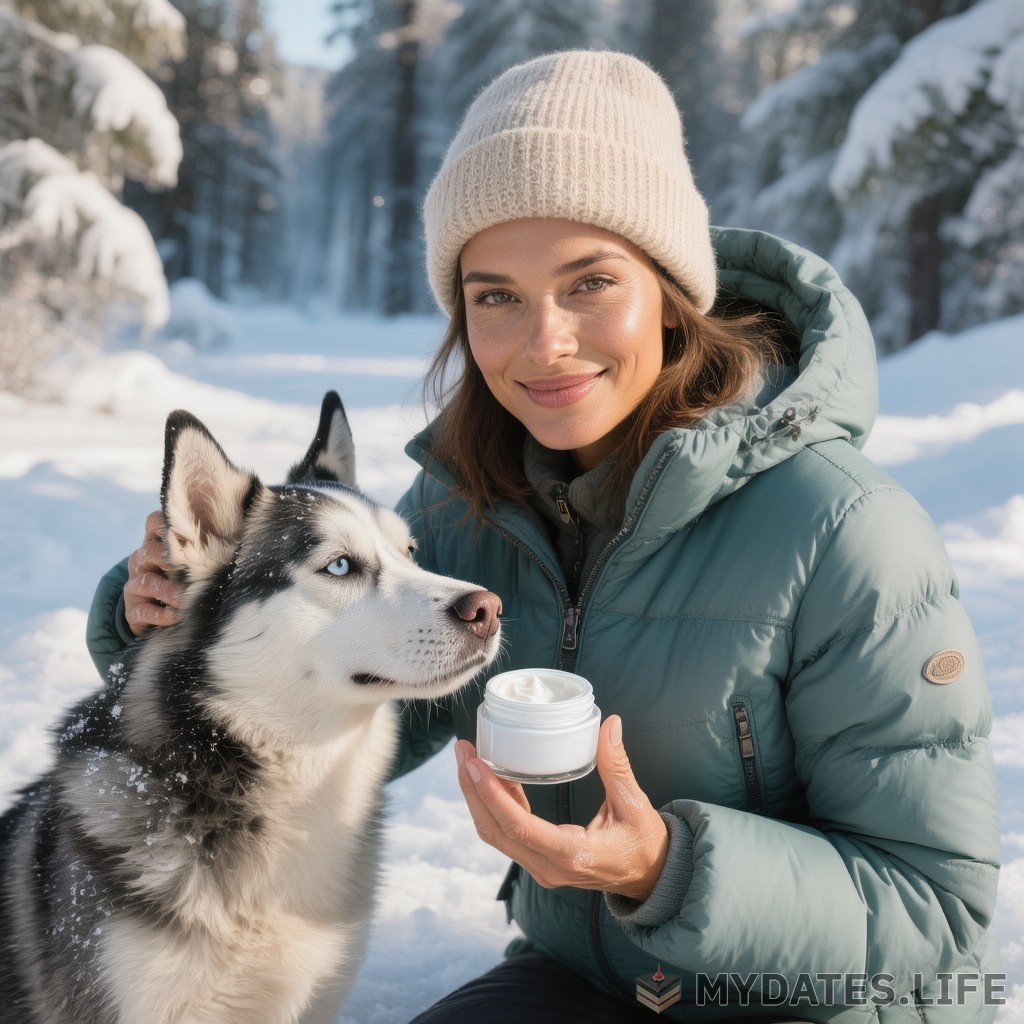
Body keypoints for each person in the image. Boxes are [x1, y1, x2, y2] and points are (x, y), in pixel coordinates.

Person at [87, 50, 1000, 1024]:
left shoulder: (845, 533)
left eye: (588, 282)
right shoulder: (466, 508)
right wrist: (164, 612)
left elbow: (936, 912)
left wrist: (667, 868)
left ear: (670, 289)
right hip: (592, 981)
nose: (543, 342)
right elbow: (313, 689)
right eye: (496, 296)